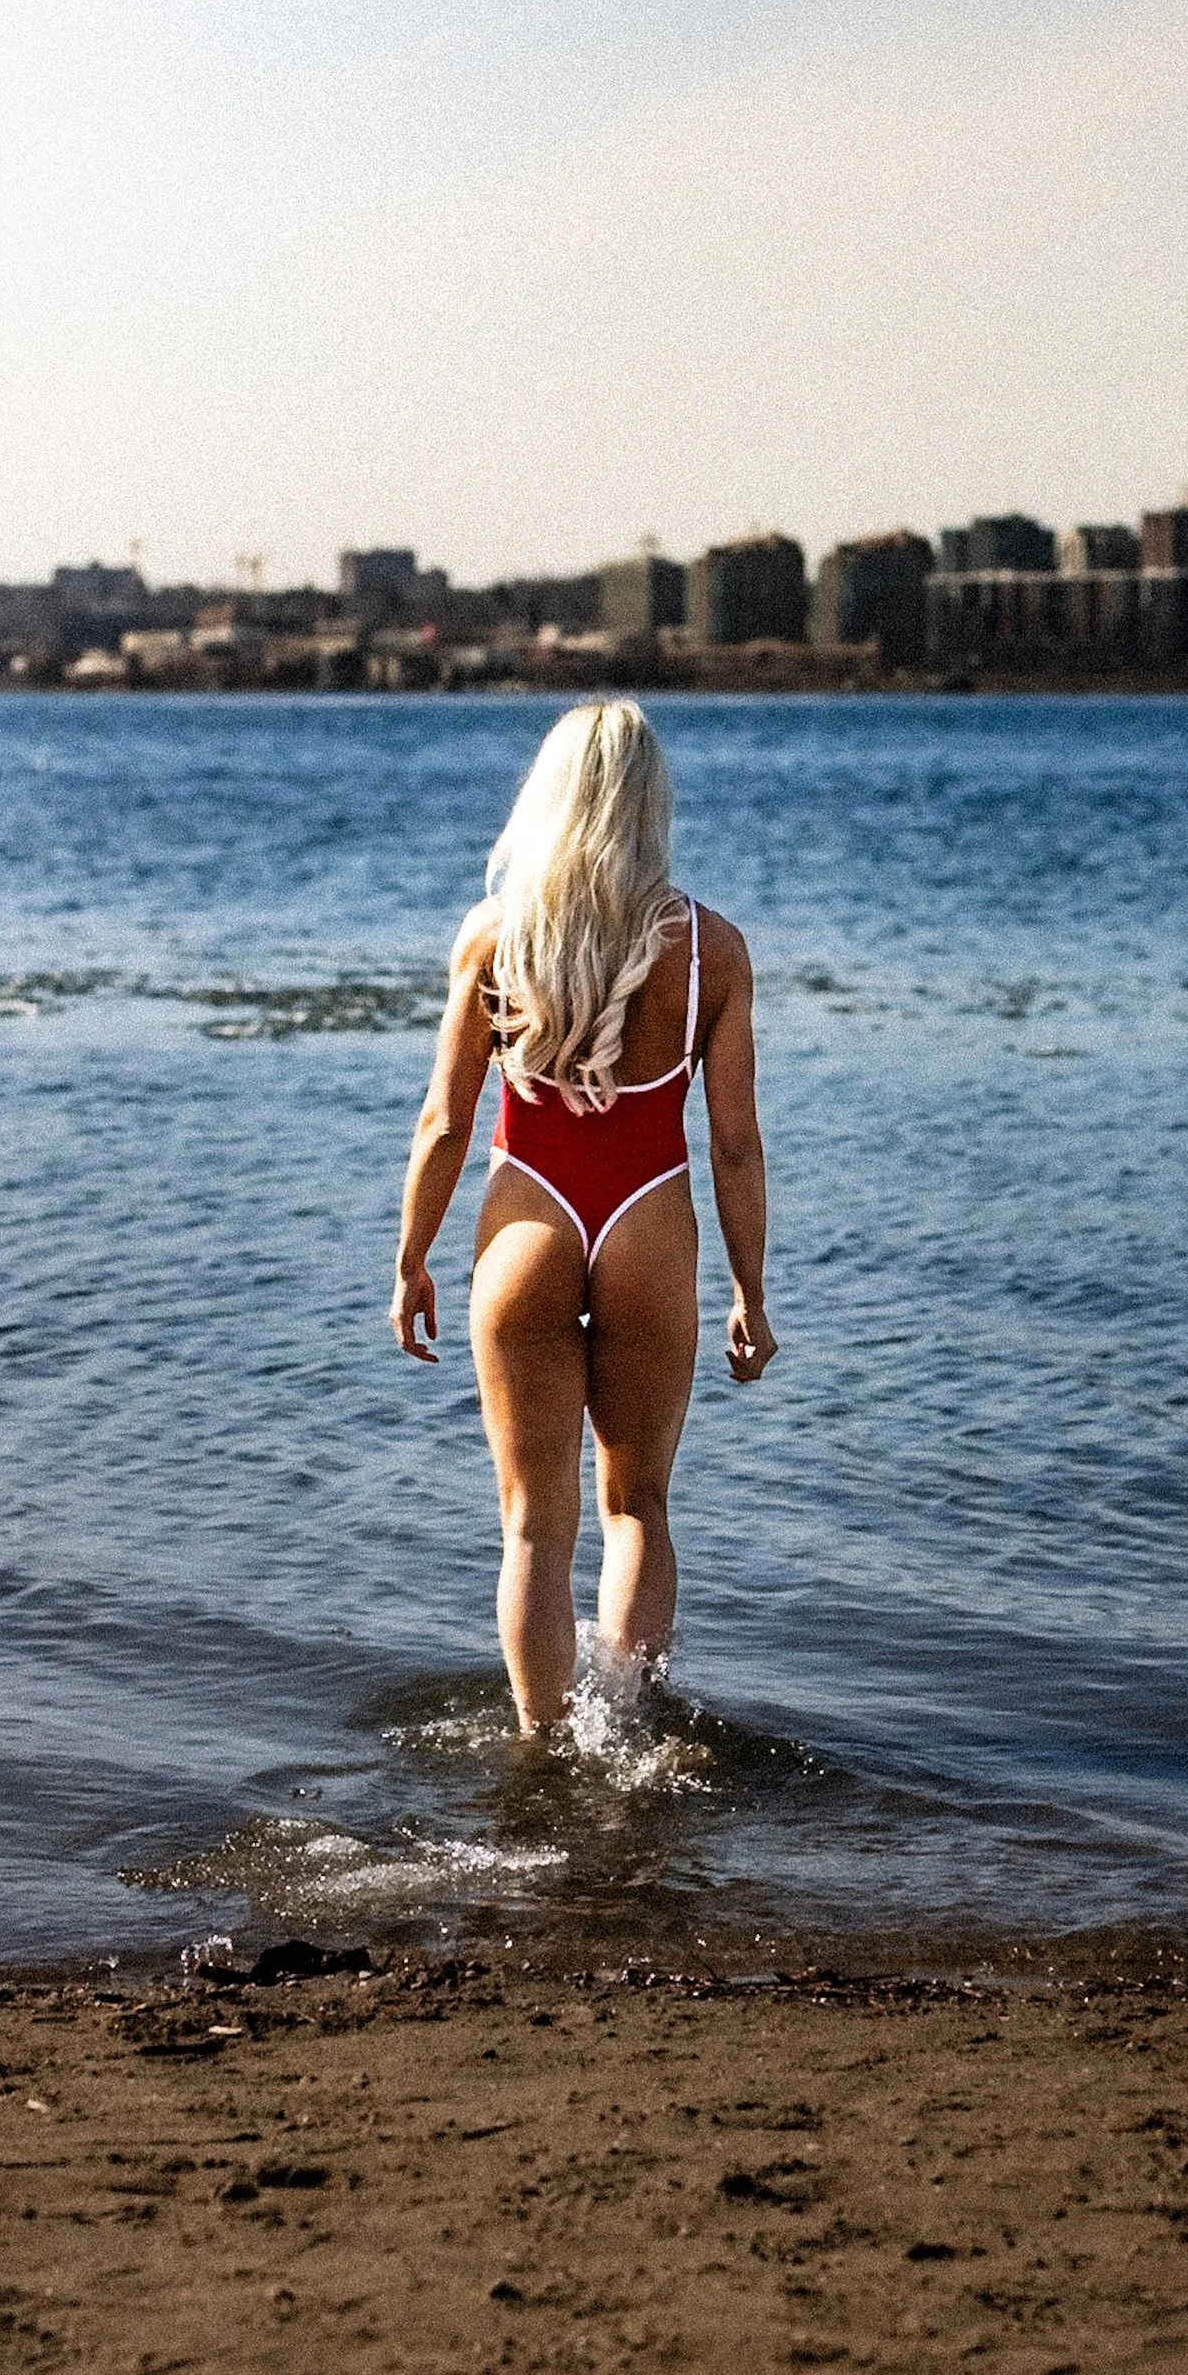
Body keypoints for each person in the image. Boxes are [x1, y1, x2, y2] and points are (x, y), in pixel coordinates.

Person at [391, 699, 776, 1731]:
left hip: (526, 1227)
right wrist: (751, 1290)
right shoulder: (712, 950)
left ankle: (540, 1752)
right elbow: (735, 1143)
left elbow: (444, 1122)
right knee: (637, 1507)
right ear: (652, 806)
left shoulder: (491, 936)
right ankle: (630, 1737)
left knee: (531, 1530)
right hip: (649, 1225)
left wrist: (411, 1259)